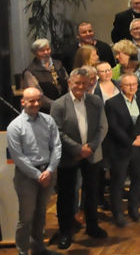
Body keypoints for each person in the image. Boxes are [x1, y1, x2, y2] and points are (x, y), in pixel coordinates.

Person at [50, 69, 107, 247]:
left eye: (84, 83)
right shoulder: (59, 105)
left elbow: (101, 127)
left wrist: (90, 147)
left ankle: (92, 226)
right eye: (77, 83)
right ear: (69, 83)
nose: (81, 87)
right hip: (69, 157)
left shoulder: (96, 101)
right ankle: (65, 232)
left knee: (91, 193)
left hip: (90, 154)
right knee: (66, 195)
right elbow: (57, 132)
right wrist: (77, 149)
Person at [8, 87, 61, 255]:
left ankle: (39, 249)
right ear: (23, 102)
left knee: (41, 214)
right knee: (26, 218)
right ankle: (23, 251)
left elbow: (57, 146)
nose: (36, 103)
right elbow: (18, 157)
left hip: (48, 172)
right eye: (31, 101)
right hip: (27, 177)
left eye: (38, 100)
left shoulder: (48, 120)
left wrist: (51, 169)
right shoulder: (15, 126)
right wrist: (38, 175)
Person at [104, 72, 140, 227]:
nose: (132, 87)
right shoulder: (112, 103)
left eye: (134, 84)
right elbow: (113, 127)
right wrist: (131, 141)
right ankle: (118, 213)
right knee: (118, 183)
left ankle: (134, 209)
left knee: (137, 180)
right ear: (121, 86)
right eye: (128, 84)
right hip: (121, 149)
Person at [23, 39, 69, 112]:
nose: (46, 53)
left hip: (65, 106)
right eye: (42, 51)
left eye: (48, 49)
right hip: (46, 110)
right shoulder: (31, 71)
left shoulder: (58, 65)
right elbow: (38, 95)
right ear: (35, 53)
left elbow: (69, 83)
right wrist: (56, 105)